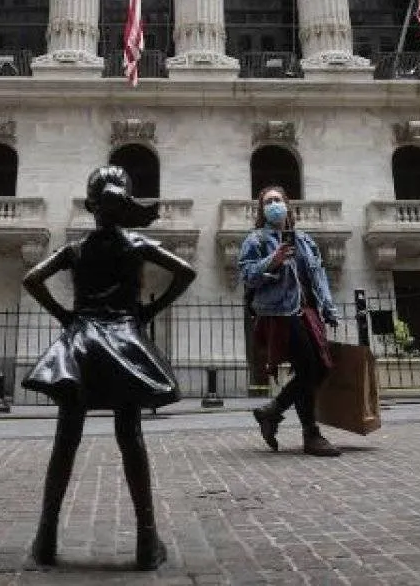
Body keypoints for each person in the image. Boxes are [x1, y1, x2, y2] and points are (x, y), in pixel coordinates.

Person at [22, 166, 197, 571]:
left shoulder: (77, 249)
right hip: (123, 338)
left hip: (81, 340)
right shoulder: (136, 243)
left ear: (91, 207)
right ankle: (146, 539)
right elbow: (186, 272)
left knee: (67, 437)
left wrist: (65, 316)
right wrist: (152, 308)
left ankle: (46, 536)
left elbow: (33, 279)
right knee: (130, 434)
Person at [238, 184, 342, 457]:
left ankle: (272, 412)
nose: (274, 205)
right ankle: (311, 434)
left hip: (308, 312)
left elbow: (318, 276)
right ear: (262, 210)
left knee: (319, 369)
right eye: (268, 202)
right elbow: (247, 276)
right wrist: (272, 261)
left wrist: (329, 308)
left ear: (287, 205)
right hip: (280, 313)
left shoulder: (305, 240)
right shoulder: (256, 240)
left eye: (278, 200)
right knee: (310, 368)